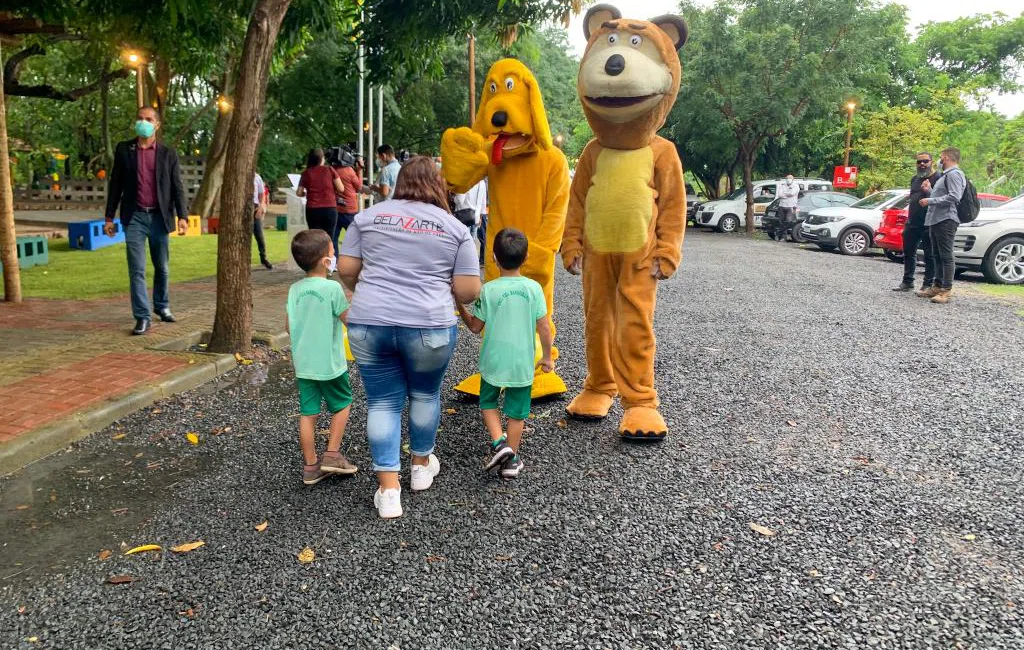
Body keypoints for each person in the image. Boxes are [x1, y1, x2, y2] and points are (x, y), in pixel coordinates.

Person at [339, 156, 481, 519]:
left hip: (371, 323)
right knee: (425, 393)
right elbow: (468, 291)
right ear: (437, 184)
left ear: (400, 182)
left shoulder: (368, 217)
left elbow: (347, 270)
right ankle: (420, 466)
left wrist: (362, 288)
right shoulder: (454, 228)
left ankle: (388, 490)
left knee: (382, 403)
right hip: (429, 326)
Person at [456, 229, 553, 479]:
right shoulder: (534, 288)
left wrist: (459, 306)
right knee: (517, 412)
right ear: (527, 256)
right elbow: (544, 326)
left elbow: (476, 327)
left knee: (488, 402)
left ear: (494, 258)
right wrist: (547, 357)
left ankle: (500, 443)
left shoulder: (489, 290)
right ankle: (511, 460)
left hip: (493, 360)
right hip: (522, 363)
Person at [104, 106, 188, 336]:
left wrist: (183, 216)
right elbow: (115, 185)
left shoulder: (168, 154)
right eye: (140, 118)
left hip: (159, 218)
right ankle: (142, 317)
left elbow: (177, 187)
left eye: (148, 119)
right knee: (137, 269)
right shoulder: (124, 150)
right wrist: (109, 217)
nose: (143, 122)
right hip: (135, 217)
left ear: (157, 125)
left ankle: (162, 306)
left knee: (162, 267)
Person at [286, 229, 359, 485]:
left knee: (309, 414)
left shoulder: (294, 290)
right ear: (324, 261)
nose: (335, 256)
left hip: (304, 364)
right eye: (332, 253)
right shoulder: (332, 288)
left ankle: (310, 467)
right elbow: (348, 320)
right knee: (343, 404)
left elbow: (288, 326)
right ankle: (332, 453)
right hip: (330, 364)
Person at [918, 147, 965, 304]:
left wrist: (930, 200)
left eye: (940, 157)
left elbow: (954, 196)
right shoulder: (945, 176)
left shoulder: (955, 174)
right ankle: (937, 286)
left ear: (945, 158)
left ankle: (946, 289)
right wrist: (929, 191)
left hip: (946, 220)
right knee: (936, 254)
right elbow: (941, 196)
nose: (938, 161)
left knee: (946, 255)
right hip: (936, 219)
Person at [893, 153, 940, 292]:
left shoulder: (939, 178)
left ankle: (927, 284)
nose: (922, 164)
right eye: (919, 162)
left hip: (929, 222)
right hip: (912, 221)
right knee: (908, 252)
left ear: (932, 162)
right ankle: (908, 282)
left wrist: (929, 191)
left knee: (929, 255)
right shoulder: (915, 179)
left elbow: (941, 200)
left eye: (925, 161)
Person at [297, 148, 344, 238]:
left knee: (314, 238)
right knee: (329, 237)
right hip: (329, 208)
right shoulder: (330, 170)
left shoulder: (306, 173)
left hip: (312, 210)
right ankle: (329, 252)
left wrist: (305, 194)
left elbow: (299, 192)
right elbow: (341, 188)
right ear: (322, 158)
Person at [332, 154, 362, 257]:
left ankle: (334, 262)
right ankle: (355, 260)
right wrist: (359, 170)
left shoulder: (332, 170)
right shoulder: (349, 170)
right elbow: (359, 187)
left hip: (336, 209)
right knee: (356, 238)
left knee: (334, 237)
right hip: (350, 210)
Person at [253, 171, 273, 269]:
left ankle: (263, 257)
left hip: (255, 207)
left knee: (259, 235)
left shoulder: (257, 177)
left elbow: (262, 194)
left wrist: (261, 206)